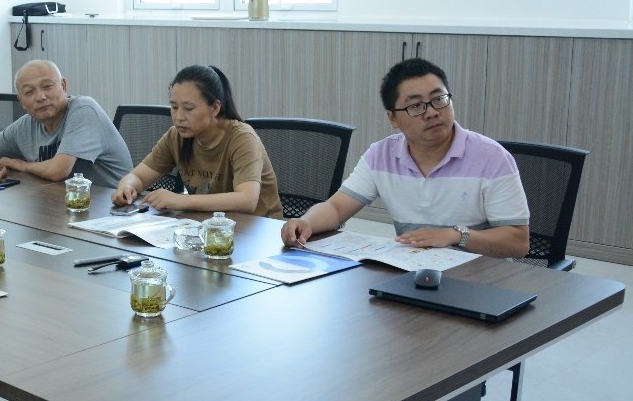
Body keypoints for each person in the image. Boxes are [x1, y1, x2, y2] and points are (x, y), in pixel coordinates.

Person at [281, 58, 529, 257]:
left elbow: (518, 242)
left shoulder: (492, 157)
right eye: (416, 106)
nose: (432, 112)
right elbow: (336, 208)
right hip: (413, 273)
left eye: (439, 99)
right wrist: (306, 222)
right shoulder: (381, 155)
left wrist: (456, 235)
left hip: (480, 279)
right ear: (393, 118)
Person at [111, 65, 283, 217]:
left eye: (188, 108)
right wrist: (126, 187)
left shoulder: (242, 137)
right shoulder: (176, 136)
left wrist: (181, 200)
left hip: (257, 231)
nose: (178, 117)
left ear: (215, 108)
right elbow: (138, 176)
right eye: (174, 107)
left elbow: (247, 200)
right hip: (209, 228)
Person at [0, 60, 131, 187]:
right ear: (21, 101)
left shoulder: (84, 109)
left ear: (63, 86)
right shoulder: (26, 125)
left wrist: (20, 165)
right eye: (29, 92)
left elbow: (58, 171)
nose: (41, 97)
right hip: (59, 202)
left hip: (112, 206)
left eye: (47, 87)